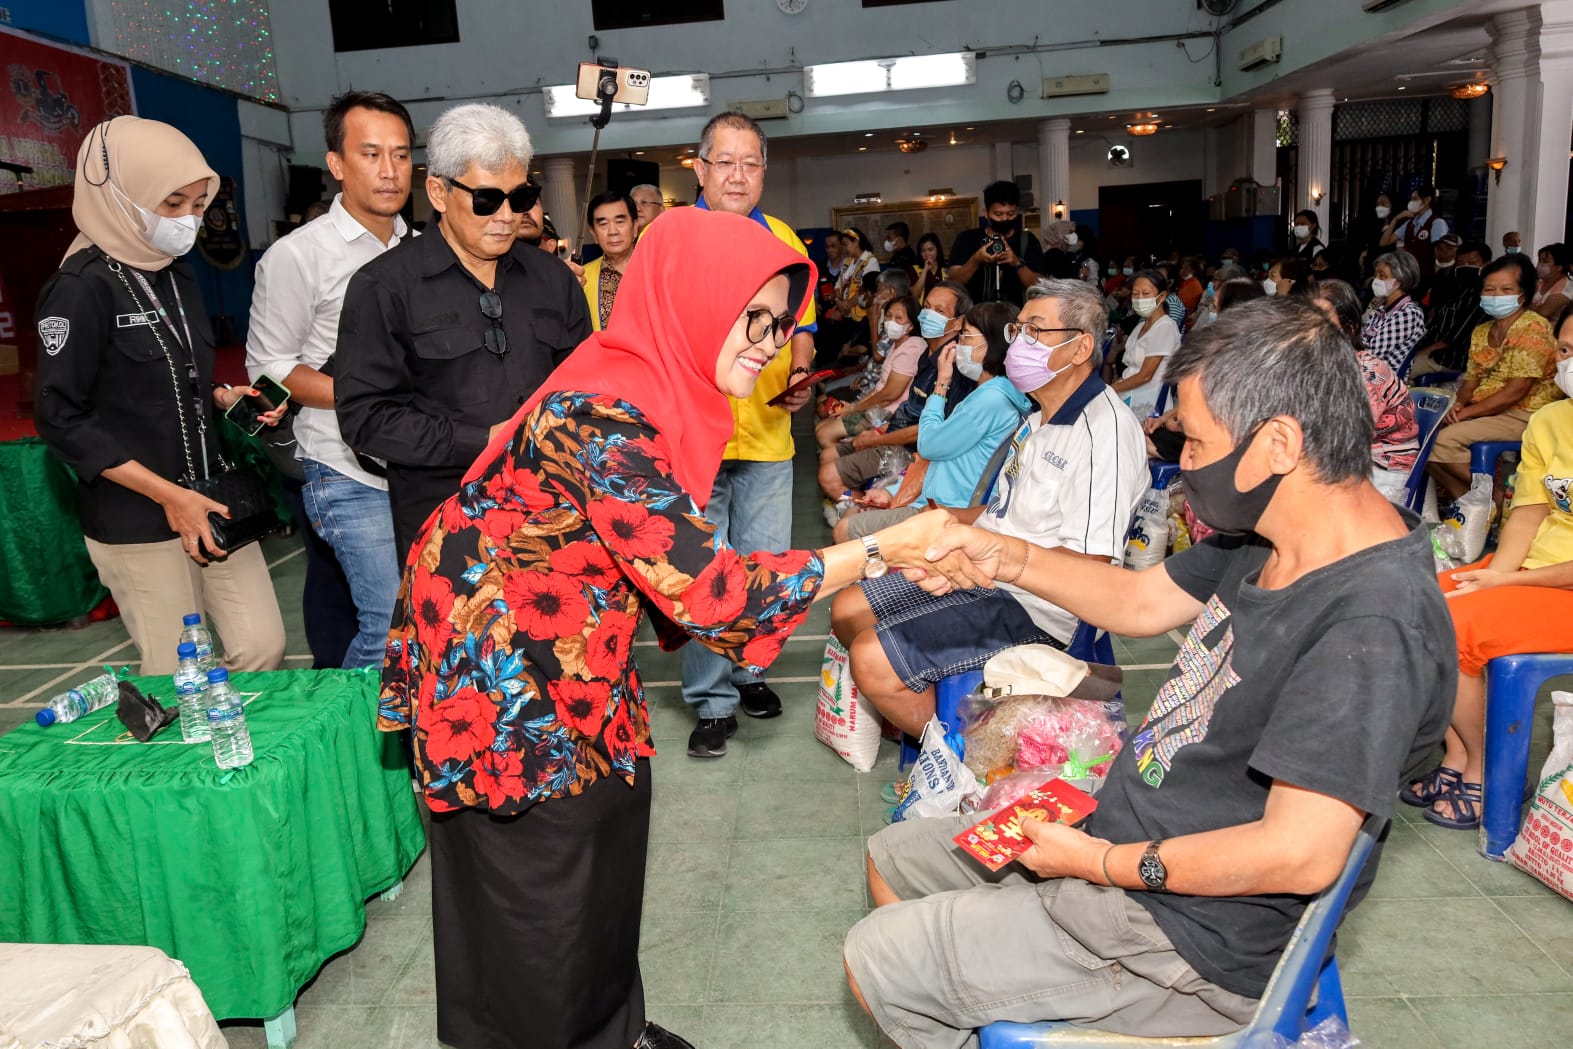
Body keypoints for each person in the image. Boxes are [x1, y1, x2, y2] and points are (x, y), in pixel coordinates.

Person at [379, 206, 981, 1049]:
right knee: (542, 883)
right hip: (508, 680)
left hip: (574, 650)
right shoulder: (604, 412)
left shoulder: (653, 386)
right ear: (690, 300)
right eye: (753, 318)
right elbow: (713, 592)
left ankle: (607, 1024)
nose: (769, 341)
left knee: (606, 845)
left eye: (779, 322)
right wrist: (888, 544)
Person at [846, 297, 1453, 1046]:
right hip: (1131, 835)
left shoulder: (1369, 623)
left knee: (875, 957)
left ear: (1279, 442)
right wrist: (1002, 555)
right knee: (895, 855)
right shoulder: (1270, 535)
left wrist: (1098, 861)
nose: (1182, 462)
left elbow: (1299, 852)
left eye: (1194, 443)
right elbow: (1136, 599)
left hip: (1185, 937)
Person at [830, 278, 1147, 738]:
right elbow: (1002, 511)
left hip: (1039, 604)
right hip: (990, 571)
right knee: (848, 609)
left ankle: (961, 765)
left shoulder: (1104, 433)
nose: (1019, 344)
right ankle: (923, 711)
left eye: (1036, 332)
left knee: (871, 658)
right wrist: (937, 521)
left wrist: (985, 554)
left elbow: (1094, 565)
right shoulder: (1038, 416)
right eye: (1018, 331)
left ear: (1080, 349)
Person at [34, 116, 286, 675]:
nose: (188, 221)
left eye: (198, 204)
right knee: (180, 678)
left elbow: (173, 369)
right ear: (122, 195)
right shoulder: (79, 289)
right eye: (173, 203)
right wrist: (169, 497)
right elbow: (59, 417)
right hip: (138, 517)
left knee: (262, 647)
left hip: (213, 500)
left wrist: (221, 395)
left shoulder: (175, 274)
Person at [335, 104, 591, 557]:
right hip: (447, 530)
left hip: (553, 519)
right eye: (487, 200)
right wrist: (482, 441)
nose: (508, 216)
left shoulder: (552, 280)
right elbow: (366, 419)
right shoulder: (384, 287)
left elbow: (589, 392)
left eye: (521, 198)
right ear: (438, 192)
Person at [245, 91, 414, 671]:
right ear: (337, 164)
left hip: (422, 463)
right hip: (344, 468)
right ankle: (352, 747)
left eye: (401, 154)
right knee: (389, 624)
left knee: (432, 615)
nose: (389, 171)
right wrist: (373, 398)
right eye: (371, 154)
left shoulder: (425, 251)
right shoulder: (297, 257)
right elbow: (269, 368)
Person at [680, 111, 819, 753]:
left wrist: (804, 372)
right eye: (724, 162)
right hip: (696, 441)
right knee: (706, 571)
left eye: (750, 163)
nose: (737, 175)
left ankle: (749, 671)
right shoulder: (673, 240)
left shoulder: (784, 240)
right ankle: (712, 702)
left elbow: (804, 330)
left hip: (767, 436)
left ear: (764, 171)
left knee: (764, 567)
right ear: (700, 167)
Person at [1404, 305, 1573, 829]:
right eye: (1566, 351)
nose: (1571, 363)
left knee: (1457, 625)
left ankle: (1490, 771)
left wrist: (1510, 583)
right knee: (1414, 600)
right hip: (1535, 578)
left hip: (1559, 587)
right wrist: (1498, 573)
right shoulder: (1551, 420)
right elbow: (1527, 512)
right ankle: (1457, 755)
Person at [832, 301, 1030, 541]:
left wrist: (942, 383)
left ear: (993, 344)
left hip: (946, 511)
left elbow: (928, 445)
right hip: (935, 499)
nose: (959, 345)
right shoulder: (995, 392)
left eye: (966, 337)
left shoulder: (989, 400)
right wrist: (894, 492)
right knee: (853, 514)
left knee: (845, 529)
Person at [819, 282, 973, 502]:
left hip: (912, 451)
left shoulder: (953, 365)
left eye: (939, 311)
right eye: (927, 307)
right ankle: (855, 498)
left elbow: (928, 431)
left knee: (829, 476)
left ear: (958, 323)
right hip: (892, 432)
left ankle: (858, 501)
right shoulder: (927, 356)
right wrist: (880, 431)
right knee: (828, 453)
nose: (929, 315)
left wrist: (874, 440)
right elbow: (910, 408)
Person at [1428, 254, 1563, 504]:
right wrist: (1458, 405)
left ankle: (1495, 497)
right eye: (1489, 289)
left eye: (1506, 289)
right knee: (1424, 434)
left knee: (1444, 440)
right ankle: (1468, 504)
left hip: (1526, 413)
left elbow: (1516, 391)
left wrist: (1466, 414)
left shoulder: (1533, 327)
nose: (1495, 296)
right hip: (1489, 412)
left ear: (1522, 294)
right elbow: (1471, 381)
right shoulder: (1482, 331)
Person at [1308, 278, 1420, 501]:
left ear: (1349, 328)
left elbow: (1348, 440)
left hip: (1381, 470)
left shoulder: (1367, 373)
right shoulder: (1319, 364)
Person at [815, 294, 922, 449]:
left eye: (899, 318)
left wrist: (853, 408)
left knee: (824, 433)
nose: (891, 321)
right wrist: (855, 406)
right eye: (889, 316)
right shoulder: (897, 343)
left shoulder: (912, 348)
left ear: (911, 324)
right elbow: (880, 386)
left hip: (888, 414)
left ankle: (841, 462)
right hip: (878, 406)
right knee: (823, 426)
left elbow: (890, 394)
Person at [947, 180, 1046, 305]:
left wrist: (1016, 263)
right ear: (986, 213)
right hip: (975, 317)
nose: (1005, 219)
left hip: (1015, 317)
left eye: (1011, 213)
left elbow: (1039, 286)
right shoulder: (967, 239)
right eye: (998, 214)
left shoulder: (1027, 240)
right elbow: (953, 282)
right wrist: (976, 259)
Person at [1410, 239, 1490, 377]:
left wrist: (1420, 352)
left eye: (1472, 263)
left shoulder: (1482, 298)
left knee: (1397, 372)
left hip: (1449, 358)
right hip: (1432, 350)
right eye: (1460, 264)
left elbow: (1453, 338)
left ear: (1487, 265)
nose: (1465, 267)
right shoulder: (1456, 289)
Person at [1112, 268, 1181, 418]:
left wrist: (1109, 390)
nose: (1139, 298)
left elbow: (1145, 376)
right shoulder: (1139, 327)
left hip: (1145, 400)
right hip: (1127, 392)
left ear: (1162, 296)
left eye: (1146, 294)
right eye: (1135, 294)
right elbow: (1130, 370)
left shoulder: (1165, 327)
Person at [1361, 250, 1427, 376]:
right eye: (1376, 275)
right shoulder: (1380, 311)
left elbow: (1371, 353)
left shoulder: (1409, 314)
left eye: (1382, 276)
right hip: (1364, 372)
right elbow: (1361, 341)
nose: (1376, 280)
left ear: (1398, 281)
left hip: (1381, 381)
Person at [581, 190, 636, 331]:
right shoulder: (582, 278)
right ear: (594, 233)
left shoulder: (655, 269)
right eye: (603, 224)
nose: (612, 231)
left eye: (619, 222)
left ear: (635, 227)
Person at [1390, 183, 1449, 281]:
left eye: (1415, 199)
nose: (1411, 202)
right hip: (1411, 277)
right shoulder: (1410, 223)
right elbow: (1386, 242)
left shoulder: (1437, 223)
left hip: (1427, 277)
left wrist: (1436, 280)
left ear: (1427, 200)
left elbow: (1439, 253)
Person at [1531, 242, 1571, 321]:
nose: (1540, 264)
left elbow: (1543, 313)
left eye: (1545, 262)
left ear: (1559, 267)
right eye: (1540, 260)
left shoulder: (1568, 288)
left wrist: (1530, 307)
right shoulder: (1538, 283)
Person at [913, 232, 946, 304]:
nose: (927, 254)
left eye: (930, 250)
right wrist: (925, 270)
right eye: (923, 251)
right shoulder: (914, 270)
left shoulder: (946, 269)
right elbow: (915, 294)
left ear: (938, 250)